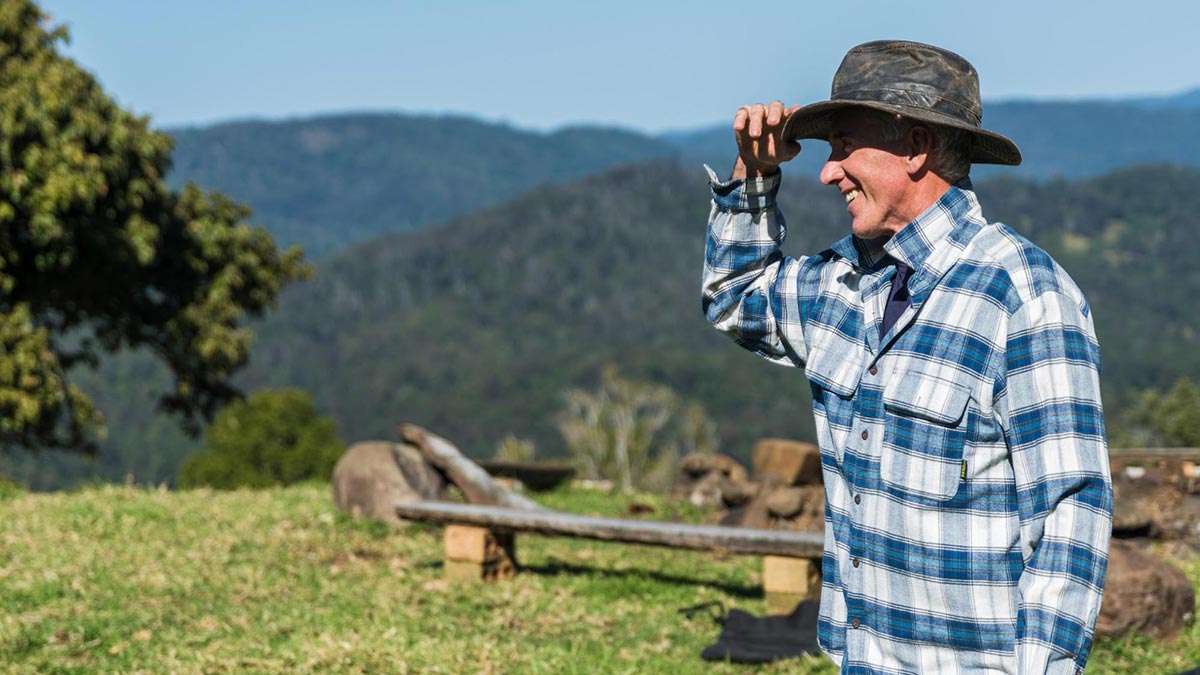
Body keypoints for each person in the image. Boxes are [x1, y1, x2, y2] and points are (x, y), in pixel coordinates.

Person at [702, 40, 1112, 674]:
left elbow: (1070, 512)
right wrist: (752, 177)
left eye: (843, 148)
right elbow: (735, 299)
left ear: (915, 146)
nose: (827, 171)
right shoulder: (839, 284)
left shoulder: (1023, 293)